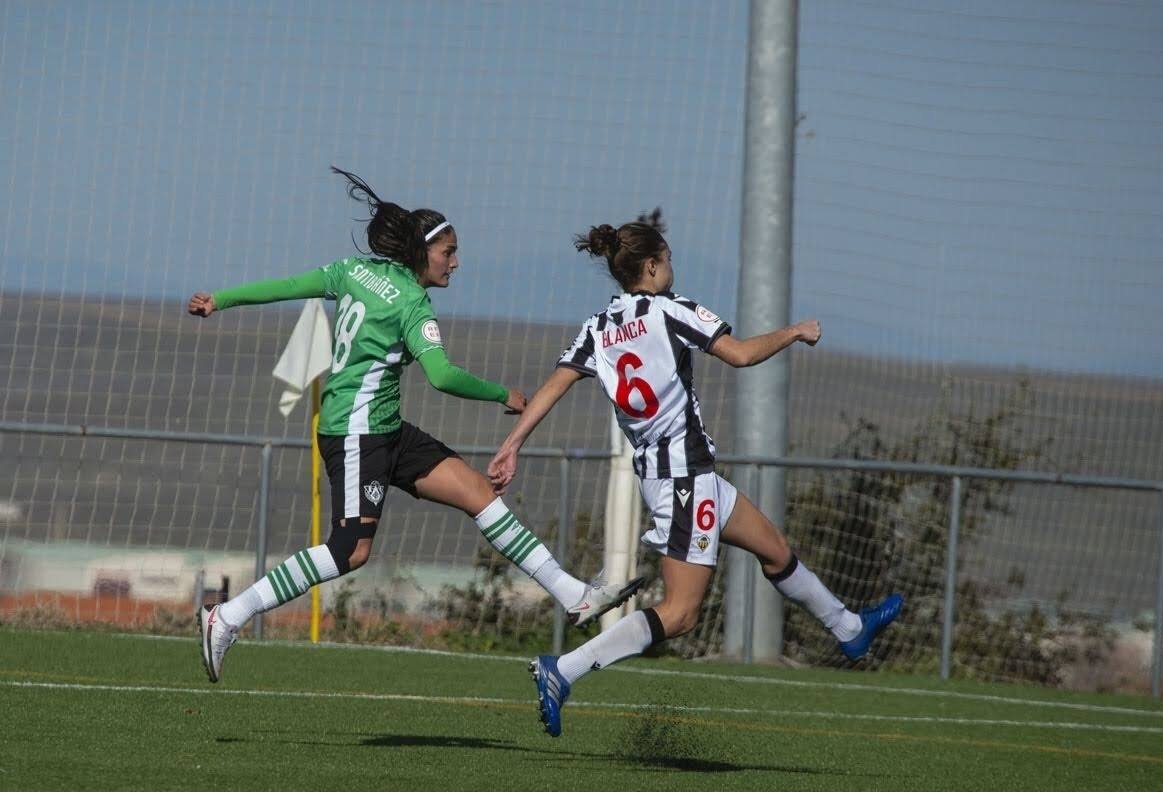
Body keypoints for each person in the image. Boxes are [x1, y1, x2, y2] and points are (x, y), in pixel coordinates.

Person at [187, 167, 642, 683]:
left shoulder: (353, 271)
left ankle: (573, 596)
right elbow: (443, 376)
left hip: (385, 428)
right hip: (356, 433)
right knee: (350, 551)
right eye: (449, 252)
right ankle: (227, 616)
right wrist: (505, 394)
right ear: (423, 253)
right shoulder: (411, 304)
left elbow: (291, 285)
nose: (456, 262)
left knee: (478, 493)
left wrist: (220, 300)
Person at [487, 213, 903, 737]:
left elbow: (554, 384)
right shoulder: (670, 311)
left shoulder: (599, 326)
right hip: (682, 479)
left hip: (684, 476)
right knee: (681, 615)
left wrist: (511, 443)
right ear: (653, 265)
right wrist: (795, 331)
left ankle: (849, 628)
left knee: (773, 547)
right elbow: (742, 354)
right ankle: (562, 670)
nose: (673, 270)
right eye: (669, 262)